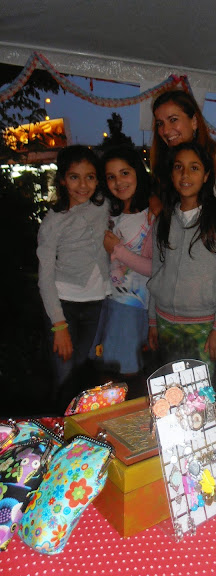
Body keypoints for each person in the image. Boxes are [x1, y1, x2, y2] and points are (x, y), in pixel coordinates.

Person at [147, 141, 216, 383]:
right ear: (171, 174)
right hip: (165, 323)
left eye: (194, 168)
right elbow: (156, 272)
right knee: (171, 390)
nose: (185, 174)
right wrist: (152, 321)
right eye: (178, 167)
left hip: (204, 326)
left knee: (202, 393)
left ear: (206, 175)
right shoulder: (163, 219)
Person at [37, 145, 110, 408]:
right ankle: (61, 427)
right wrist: (59, 325)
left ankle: (84, 429)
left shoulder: (104, 206)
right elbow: (45, 276)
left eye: (90, 177)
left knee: (88, 378)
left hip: (98, 304)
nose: (83, 185)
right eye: (74, 177)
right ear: (62, 180)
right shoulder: (54, 221)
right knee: (65, 378)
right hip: (63, 307)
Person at [93, 146, 154, 381]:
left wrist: (118, 250)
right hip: (108, 302)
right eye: (111, 177)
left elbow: (154, 268)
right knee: (107, 373)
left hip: (132, 306)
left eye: (125, 173)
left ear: (138, 171)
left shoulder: (151, 215)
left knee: (126, 374)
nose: (119, 182)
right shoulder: (109, 212)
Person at [151, 89, 216, 199]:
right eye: (160, 123)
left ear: (194, 121)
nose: (165, 130)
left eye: (173, 120)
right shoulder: (164, 163)